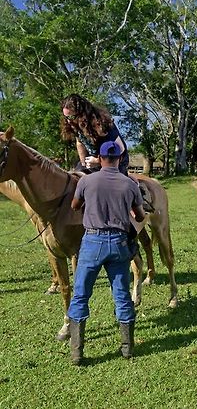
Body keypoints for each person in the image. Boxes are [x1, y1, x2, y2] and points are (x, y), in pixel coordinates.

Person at [67, 141, 146, 366]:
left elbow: (74, 205)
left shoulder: (86, 180)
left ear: (100, 159)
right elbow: (139, 217)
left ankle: (77, 353)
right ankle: (127, 348)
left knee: (81, 294)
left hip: (92, 241)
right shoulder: (129, 184)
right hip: (119, 243)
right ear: (120, 159)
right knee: (121, 294)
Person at [61, 93, 153, 212]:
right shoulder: (75, 125)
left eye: (71, 117)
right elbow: (79, 142)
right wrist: (84, 163)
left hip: (116, 160)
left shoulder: (103, 123)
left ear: (82, 113)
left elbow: (120, 148)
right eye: (66, 117)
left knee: (113, 189)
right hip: (94, 160)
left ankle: (135, 205)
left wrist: (98, 161)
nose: (68, 122)